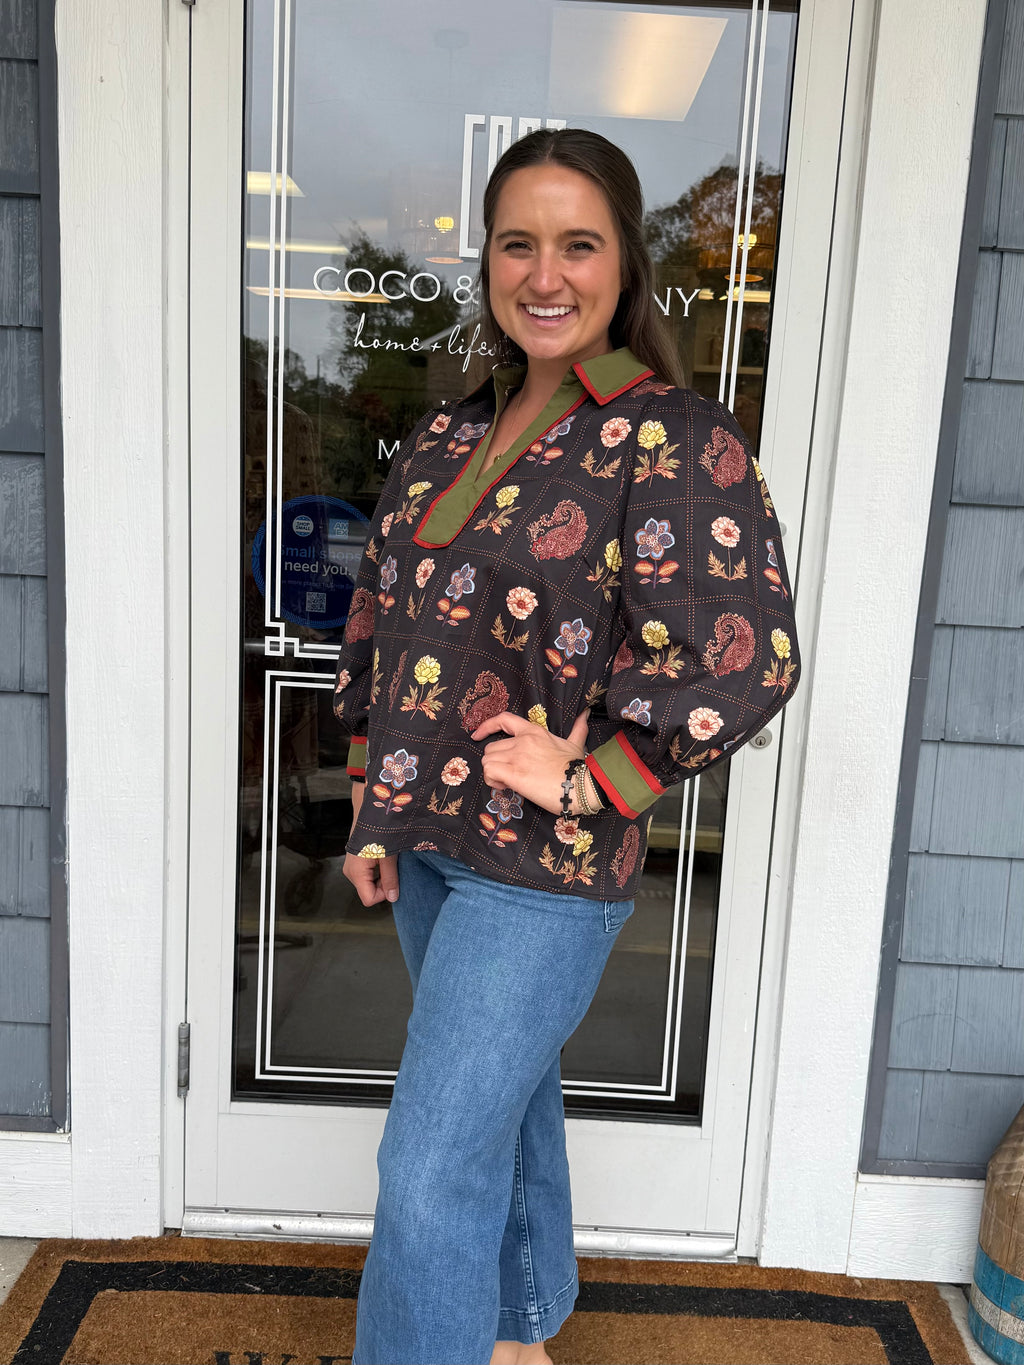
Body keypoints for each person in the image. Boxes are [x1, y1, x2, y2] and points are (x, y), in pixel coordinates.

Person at [333, 127, 800, 1365]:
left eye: (577, 244)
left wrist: (595, 776)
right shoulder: (452, 430)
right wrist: (373, 812)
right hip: (430, 844)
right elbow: (389, 620)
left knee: (427, 1168)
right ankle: (519, 1332)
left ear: (623, 265)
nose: (546, 275)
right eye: (518, 243)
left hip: (541, 871)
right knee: (505, 1109)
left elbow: (747, 656)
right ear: (486, 261)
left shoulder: (671, 437)